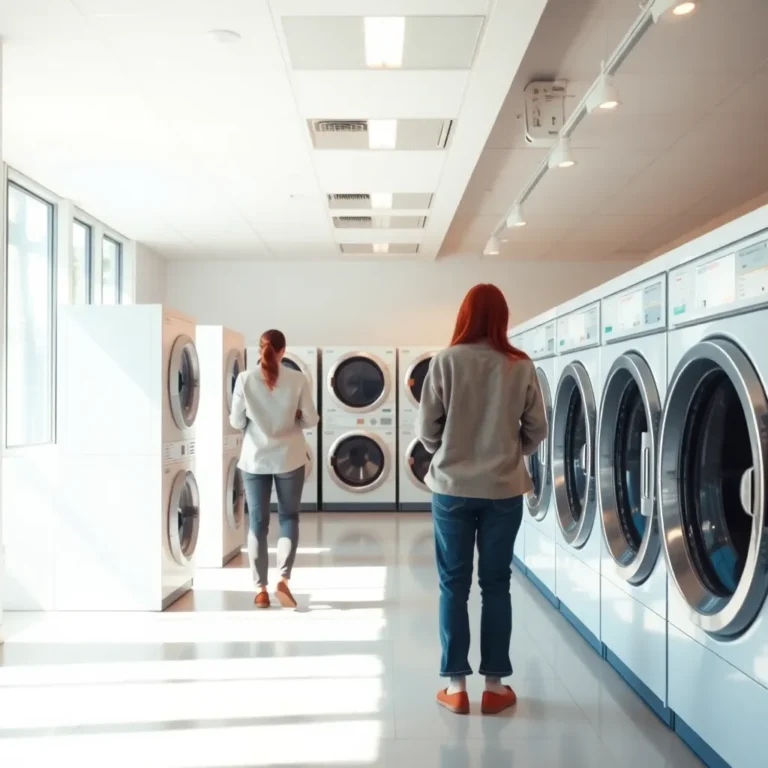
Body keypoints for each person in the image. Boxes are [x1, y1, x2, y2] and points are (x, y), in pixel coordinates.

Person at [415, 284, 547, 716]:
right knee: (496, 584)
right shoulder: (519, 365)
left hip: (451, 488)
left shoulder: (445, 361)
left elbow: (426, 431)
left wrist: (448, 449)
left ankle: (455, 687)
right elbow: (538, 429)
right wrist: (510, 451)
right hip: (503, 489)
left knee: (453, 584)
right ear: (501, 318)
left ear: (464, 316)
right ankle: (494, 686)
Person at [229, 329, 319, 609]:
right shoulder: (297, 379)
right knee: (289, 517)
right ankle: (283, 580)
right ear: (283, 350)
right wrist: (295, 417)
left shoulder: (245, 379)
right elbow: (312, 420)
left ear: (260, 350)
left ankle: (261, 590)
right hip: (289, 457)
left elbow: (235, 421)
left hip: (255, 459)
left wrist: (252, 421)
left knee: (257, 524)